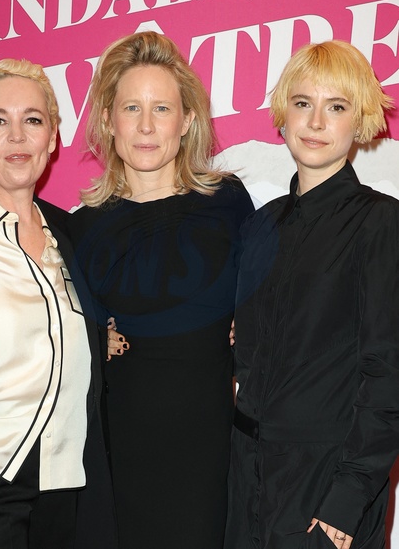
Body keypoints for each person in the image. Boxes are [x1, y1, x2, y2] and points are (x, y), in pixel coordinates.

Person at [68, 30, 254, 549]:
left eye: (162, 108)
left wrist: (251, 321)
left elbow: (272, 303)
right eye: (131, 108)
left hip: (207, 460)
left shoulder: (228, 204)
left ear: (187, 120)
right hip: (113, 464)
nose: (146, 126)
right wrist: (89, 339)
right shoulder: (80, 229)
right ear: (109, 121)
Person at [225, 40, 399, 549]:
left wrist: (349, 497)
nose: (316, 121)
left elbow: (389, 374)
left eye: (336, 106)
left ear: (359, 120)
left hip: (327, 484)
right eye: (303, 103)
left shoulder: (381, 223)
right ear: (284, 113)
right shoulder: (259, 226)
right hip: (245, 477)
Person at [0, 59, 115, 549]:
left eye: (33, 120)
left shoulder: (74, 233)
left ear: (54, 136)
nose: (17, 136)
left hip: (66, 484)